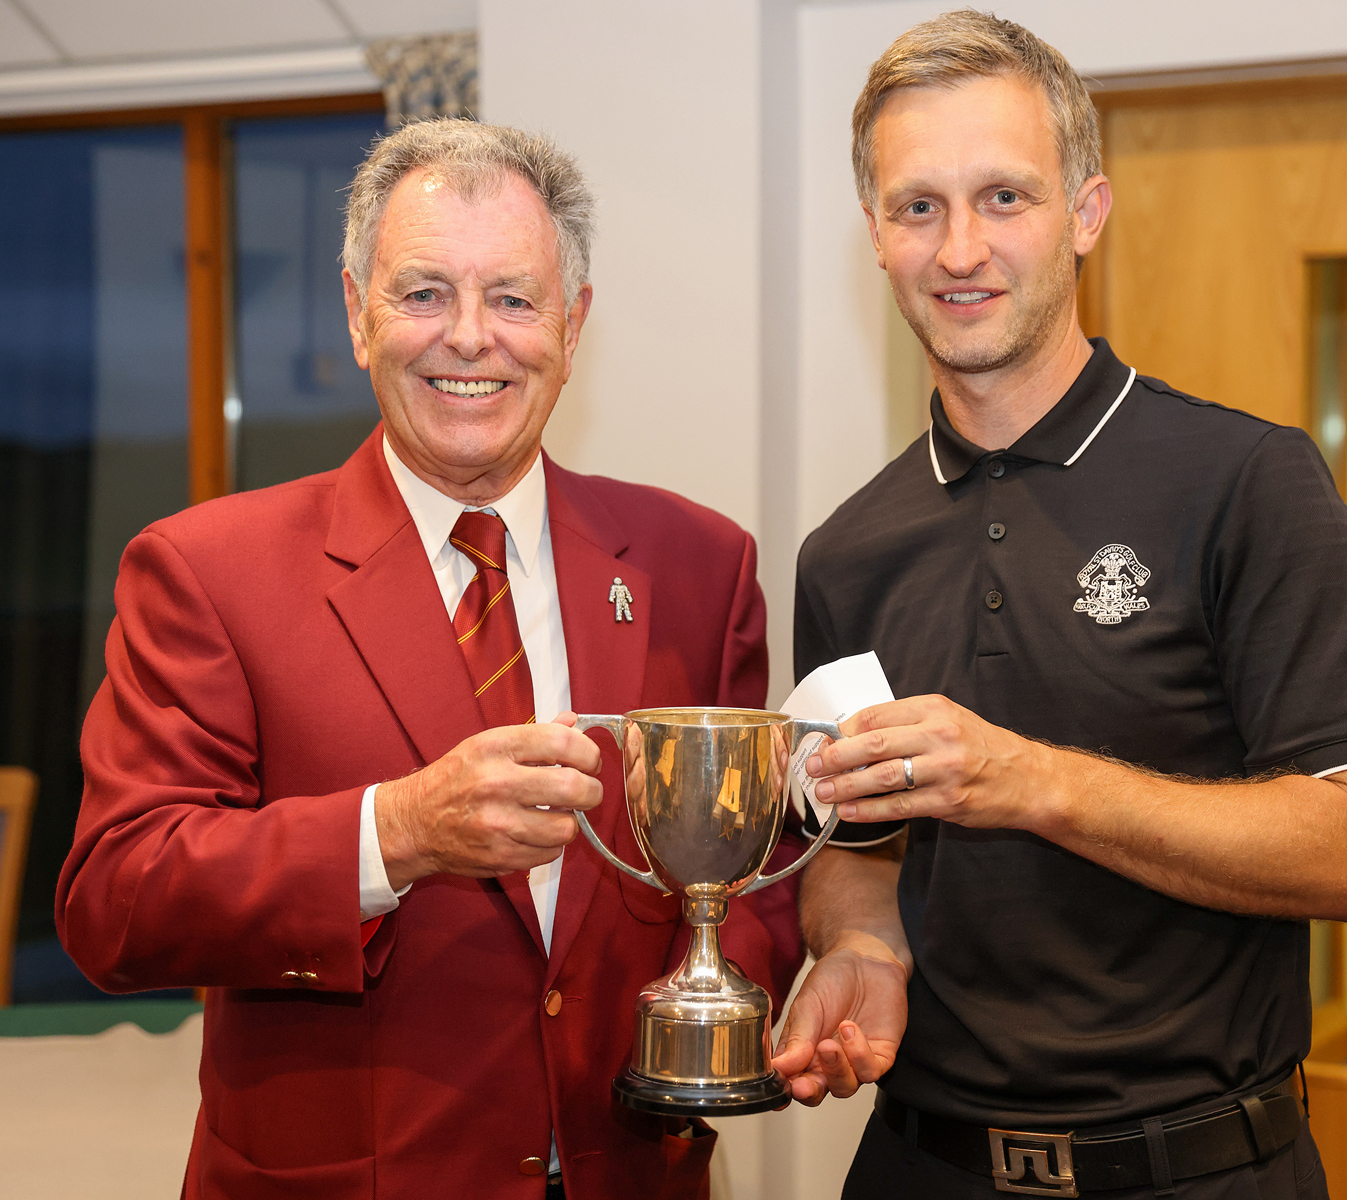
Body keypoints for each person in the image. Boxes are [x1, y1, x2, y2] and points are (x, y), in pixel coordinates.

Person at [57, 119, 801, 1200]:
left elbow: (747, 873)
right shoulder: (208, 571)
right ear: (358, 315)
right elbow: (115, 902)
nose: (469, 337)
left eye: (512, 297)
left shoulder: (700, 563)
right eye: (422, 295)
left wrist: (746, 1004)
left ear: (572, 323)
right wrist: (391, 834)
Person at [769, 12, 1347, 1200]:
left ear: (1086, 213)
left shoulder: (1247, 482)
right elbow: (856, 848)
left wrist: (1033, 781)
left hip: (1204, 1169)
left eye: (1004, 198)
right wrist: (860, 943)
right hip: (924, 1167)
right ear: (875, 234)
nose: (960, 248)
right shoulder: (845, 552)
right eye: (919, 207)